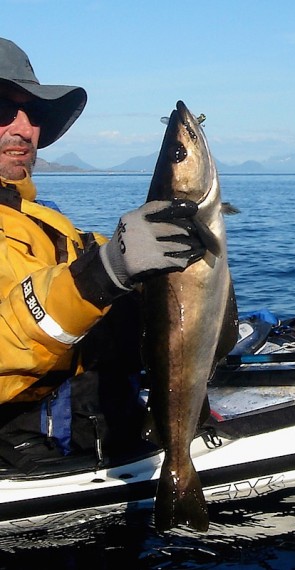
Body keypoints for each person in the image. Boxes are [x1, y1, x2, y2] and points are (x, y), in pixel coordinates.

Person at [0, 38, 206, 462]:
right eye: (2, 109)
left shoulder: (41, 219)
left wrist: (137, 263)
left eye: (33, 113)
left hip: (97, 433)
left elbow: (80, 264)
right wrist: (103, 273)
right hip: (22, 450)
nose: (23, 128)